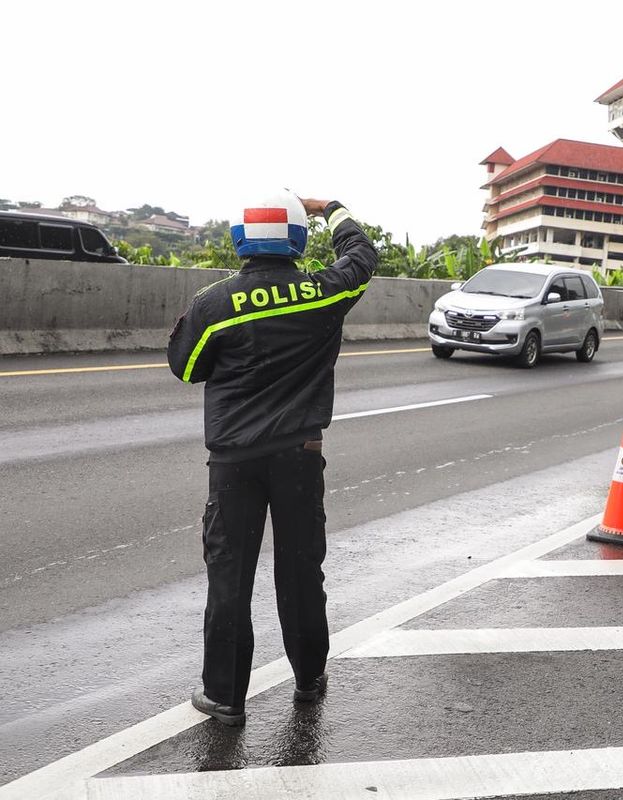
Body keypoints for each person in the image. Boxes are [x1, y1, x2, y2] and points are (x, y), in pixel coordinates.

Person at [167, 191, 377, 726]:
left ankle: (226, 698)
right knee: (301, 570)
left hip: (234, 462)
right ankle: (308, 679)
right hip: (300, 456)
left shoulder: (214, 304)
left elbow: (187, 368)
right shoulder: (324, 290)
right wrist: (333, 206)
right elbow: (361, 254)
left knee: (230, 577)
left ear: (239, 239)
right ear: (298, 239)